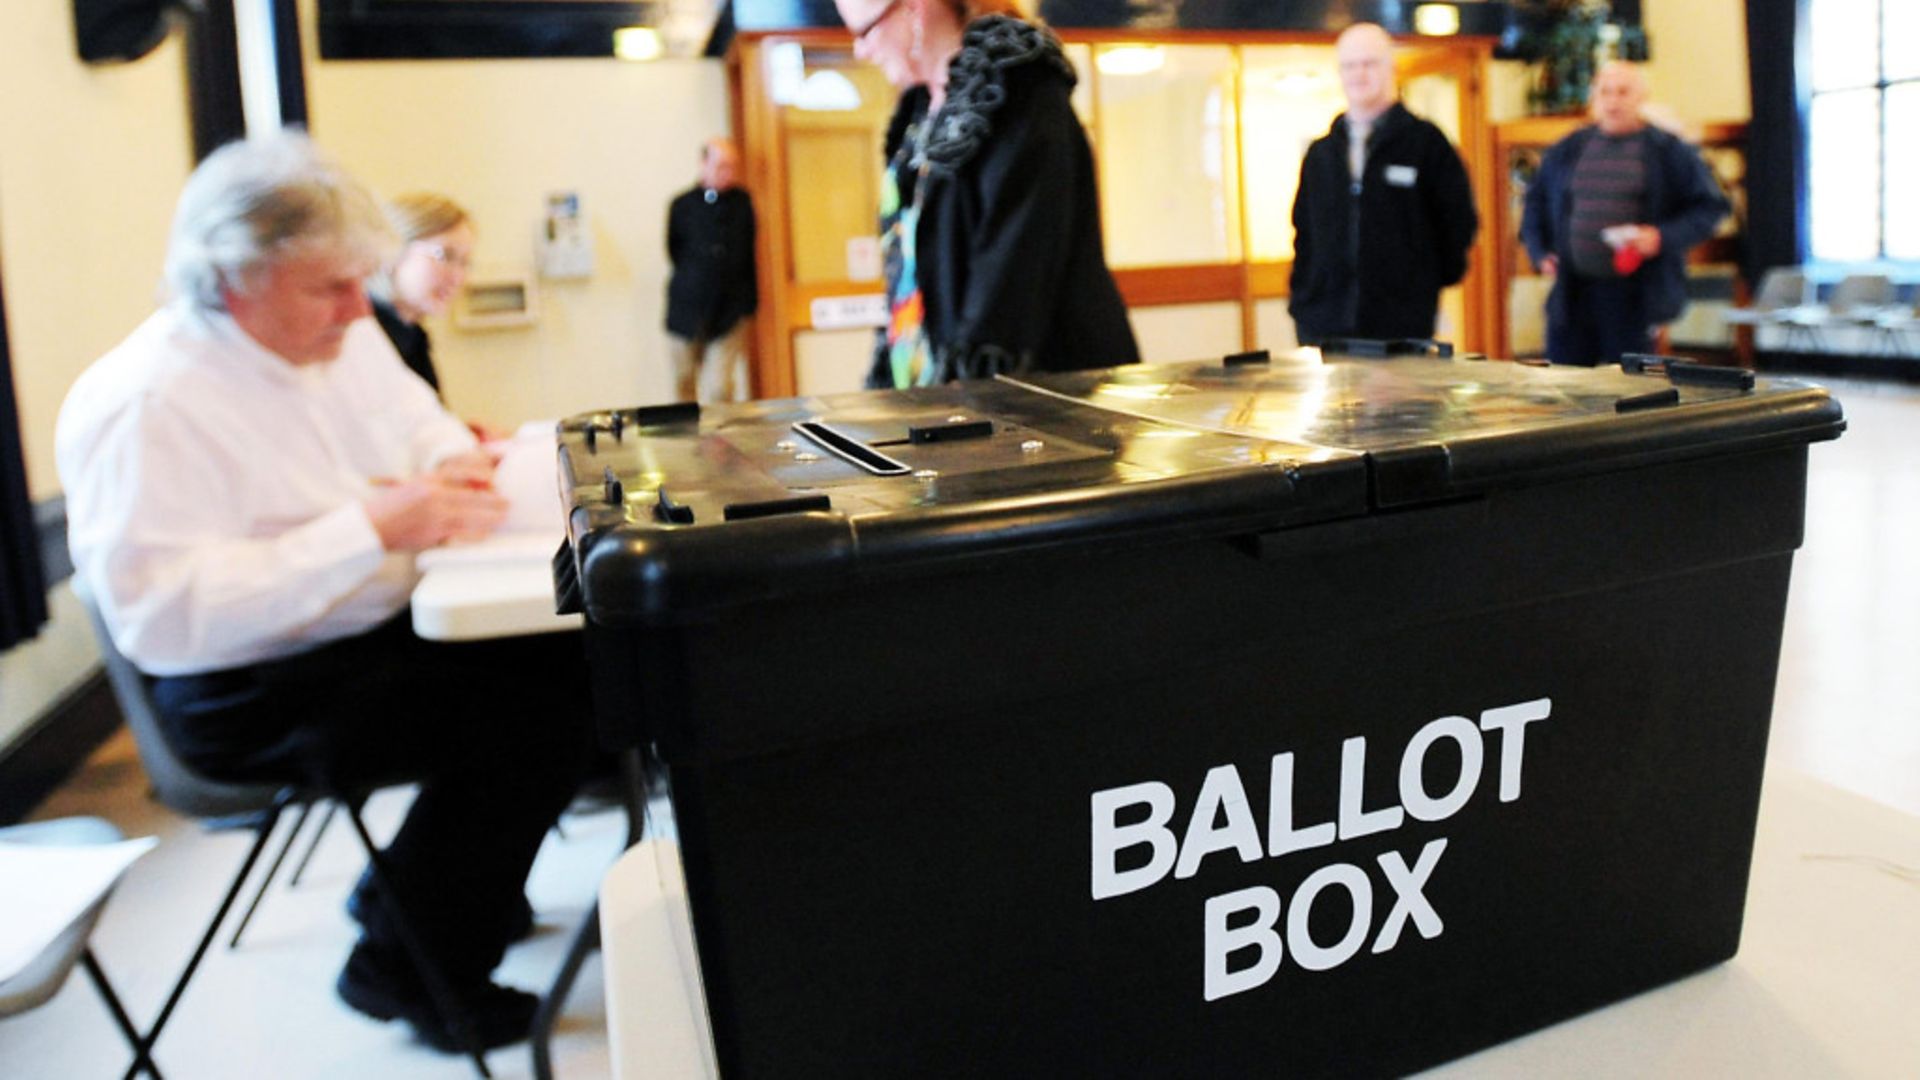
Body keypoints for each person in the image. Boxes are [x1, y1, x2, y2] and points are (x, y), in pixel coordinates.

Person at [56, 132, 594, 1054]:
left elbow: (411, 419)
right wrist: (372, 530)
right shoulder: (143, 402)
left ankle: (423, 902)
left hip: (349, 631)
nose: (358, 307)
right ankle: (406, 965)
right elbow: (167, 617)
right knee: (547, 705)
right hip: (240, 687)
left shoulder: (330, 332)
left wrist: (447, 461)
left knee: (571, 652)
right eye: (329, 288)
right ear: (231, 279)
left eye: (359, 280)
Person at [837, 0, 1139, 388]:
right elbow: (907, 271)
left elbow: (1013, 273)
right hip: (940, 391)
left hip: (1036, 394)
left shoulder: (1019, 88)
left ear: (915, 8)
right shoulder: (918, 113)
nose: (861, 50)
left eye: (865, 31)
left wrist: (965, 398)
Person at [1520, 60, 1729, 366]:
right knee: (1565, 386)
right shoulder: (1569, 148)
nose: (1613, 101)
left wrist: (1660, 237)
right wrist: (1540, 252)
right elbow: (1536, 201)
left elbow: (1710, 207)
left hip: (1634, 294)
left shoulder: (1666, 150)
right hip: (1573, 291)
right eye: (1605, 92)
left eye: (1623, 92)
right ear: (1594, 99)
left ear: (1641, 98)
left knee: (1632, 388)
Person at [1288, 22, 1479, 347]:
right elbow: (1304, 232)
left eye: (1369, 63)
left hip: (1401, 325)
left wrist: (1422, 284)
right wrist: (1305, 295)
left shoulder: (1425, 144)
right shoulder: (1322, 154)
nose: (1359, 74)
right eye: (1349, 65)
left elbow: (1457, 222)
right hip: (1324, 324)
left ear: (1391, 67)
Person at [664, 137, 757, 403]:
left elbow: (748, 253)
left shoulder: (741, 204)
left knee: (720, 387)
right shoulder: (682, 206)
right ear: (704, 164)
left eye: (732, 166)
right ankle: (688, 443)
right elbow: (674, 251)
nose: (728, 173)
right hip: (686, 308)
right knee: (683, 383)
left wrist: (749, 305)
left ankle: (721, 444)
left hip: (729, 310)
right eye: (722, 166)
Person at [367, 191, 474, 397]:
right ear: (391, 250)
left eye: (465, 262)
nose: (459, 277)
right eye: (446, 255)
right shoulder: (363, 337)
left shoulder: (412, 335)